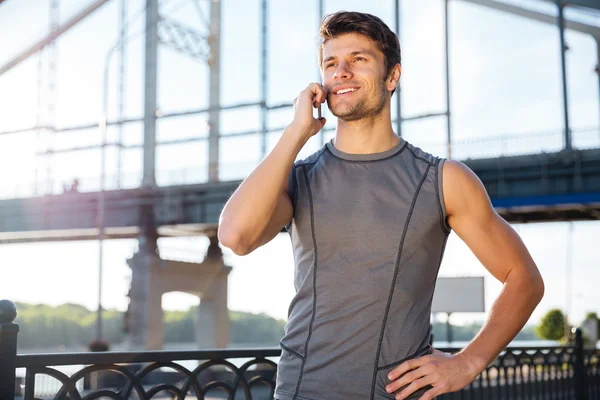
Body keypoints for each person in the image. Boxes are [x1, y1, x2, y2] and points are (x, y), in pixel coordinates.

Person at [218, 11, 544, 400]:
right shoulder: (296, 178)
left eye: (358, 59)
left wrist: (467, 362)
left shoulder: (443, 179)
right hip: (300, 391)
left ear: (392, 77)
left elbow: (524, 278)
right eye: (331, 63)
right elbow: (236, 236)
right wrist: (296, 132)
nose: (341, 72)